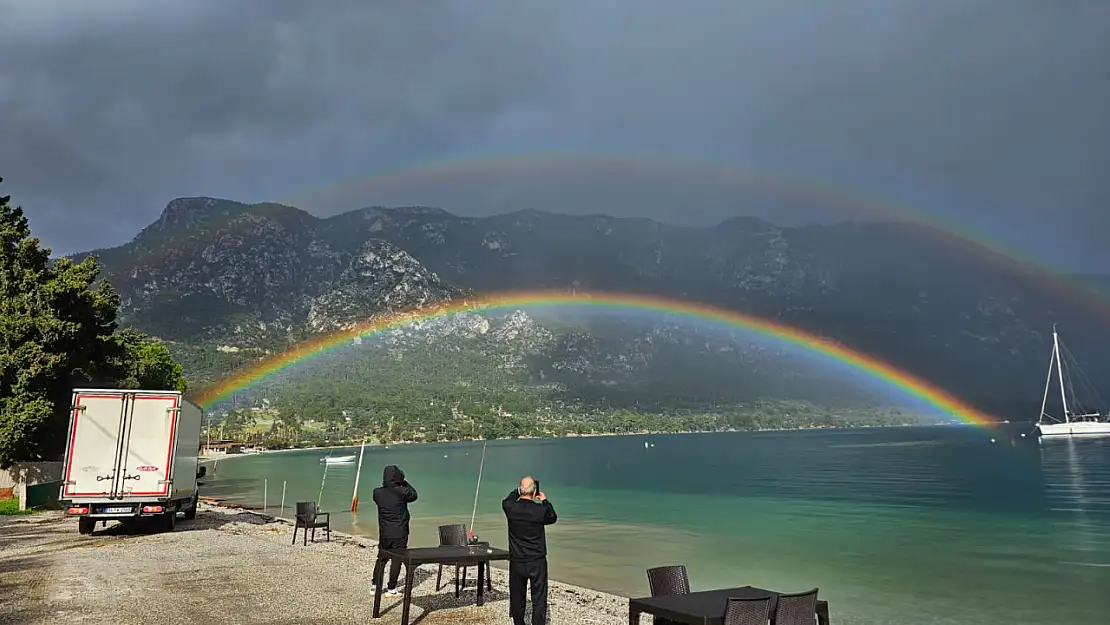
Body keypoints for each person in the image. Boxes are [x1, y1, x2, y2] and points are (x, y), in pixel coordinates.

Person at [503, 476, 557, 625]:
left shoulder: (510, 508)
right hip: (536, 561)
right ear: (534, 492)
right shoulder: (539, 510)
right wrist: (544, 500)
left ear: (520, 491)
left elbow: (507, 499)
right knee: (538, 599)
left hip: (517, 561)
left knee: (517, 597)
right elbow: (552, 517)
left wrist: (518, 490)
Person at [372, 465, 418, 597]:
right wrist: (404, 482)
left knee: (381, 558)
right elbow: (414, 495)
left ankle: (375, 585)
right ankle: (391, 588)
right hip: (400, 532)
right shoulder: (402, 492)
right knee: (396, 560)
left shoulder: (377, 493)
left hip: (384, 532)